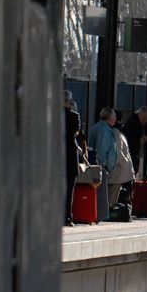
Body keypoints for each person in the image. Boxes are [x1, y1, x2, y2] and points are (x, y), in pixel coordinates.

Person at [89, 107, 119, 197]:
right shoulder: (104, 130)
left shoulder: (97, 127)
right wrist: (104, 166)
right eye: (114, 116)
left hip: (96, 166)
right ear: (109, 118)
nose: (115, 119)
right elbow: (101, 150)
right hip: (101, 168)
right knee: (100, 195)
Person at [63, 92, 82, 227]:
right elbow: (75, 133)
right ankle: (67, 217)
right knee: (69, 190)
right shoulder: (74, 116)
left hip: (55, 158)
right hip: (70, 157)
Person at [122, 106, 147, 176]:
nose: (146, 120)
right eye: (144, 118)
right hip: (130, 153)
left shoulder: (140, 124)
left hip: (135, 153)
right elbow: (129, 140)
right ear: (139, 115)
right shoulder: (132, 124)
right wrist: (139, 140)